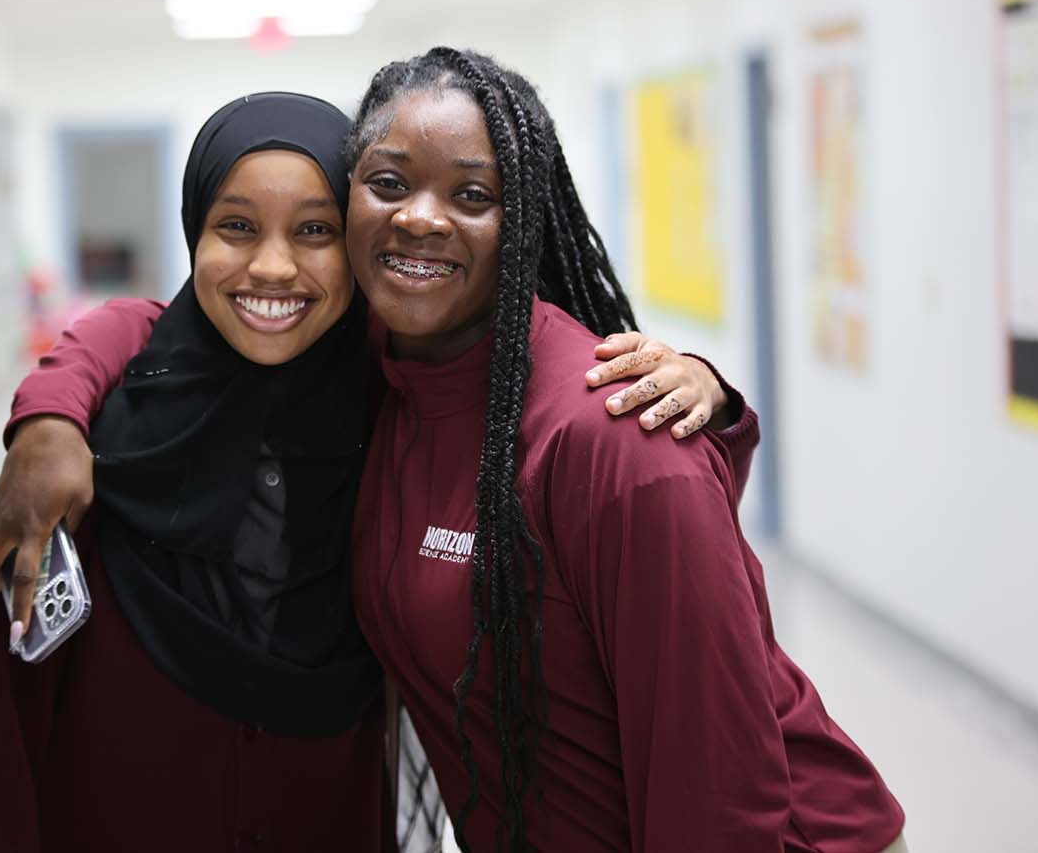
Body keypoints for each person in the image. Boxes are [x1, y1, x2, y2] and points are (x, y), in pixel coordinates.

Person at [0, 90, 741, 853]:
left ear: (356, 247)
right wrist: (47, 416)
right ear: (193, 233)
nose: (274, 268)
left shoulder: (385, 415)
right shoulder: (81, 465)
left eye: (315, 231)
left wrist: (701, 379)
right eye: (236, 226)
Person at [343, 48, 907, 852]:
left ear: (524, 222)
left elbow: (720, 797)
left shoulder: (611, 434)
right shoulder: (381, 379)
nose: (421, 218)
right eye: (390, 183)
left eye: (473, 194)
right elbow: (170, 327)